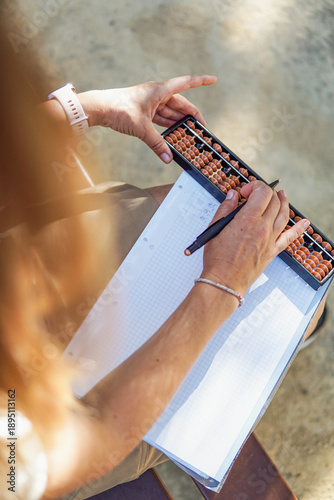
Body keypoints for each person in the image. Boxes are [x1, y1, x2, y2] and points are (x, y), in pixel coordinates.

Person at [0, 24, 325, 500]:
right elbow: (94, 439)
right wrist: (222, 284)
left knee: (202, 225)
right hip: (25, 409)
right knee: (284, 293)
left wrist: (85, 108)